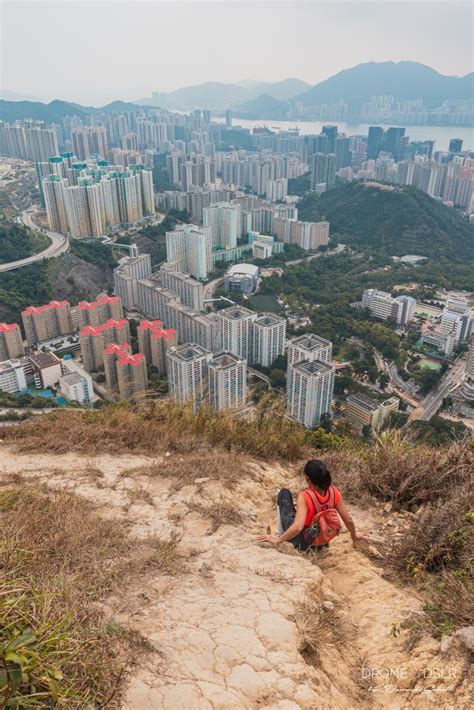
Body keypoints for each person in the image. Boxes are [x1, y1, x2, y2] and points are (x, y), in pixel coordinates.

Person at [257, 459, 366, 550]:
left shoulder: (305, 496)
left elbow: (298, 527)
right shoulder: (334, 492)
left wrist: (278, 540)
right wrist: (354, 536)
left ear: (307, 478)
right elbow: (349, 520)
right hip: (321, 542)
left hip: (303, 542)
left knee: (284, 493)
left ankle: (279, 534)